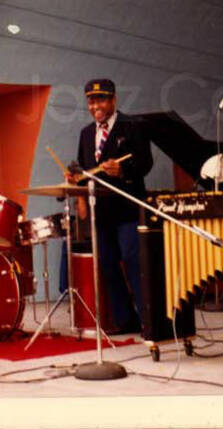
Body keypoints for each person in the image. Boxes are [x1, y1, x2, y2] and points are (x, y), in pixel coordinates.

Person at [71, 78, 153, 334]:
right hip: (101, 212)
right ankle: (124, 320)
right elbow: (85, 170)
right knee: (107, 263)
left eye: (102, 99)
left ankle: (148, 320)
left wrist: (123, 170)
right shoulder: (86, 133)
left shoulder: (133, 126)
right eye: (91, 100)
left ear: (114, 100)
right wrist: (76, 182)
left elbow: (146, 163)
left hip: (128, 207)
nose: (96, 104)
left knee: (133, 260)